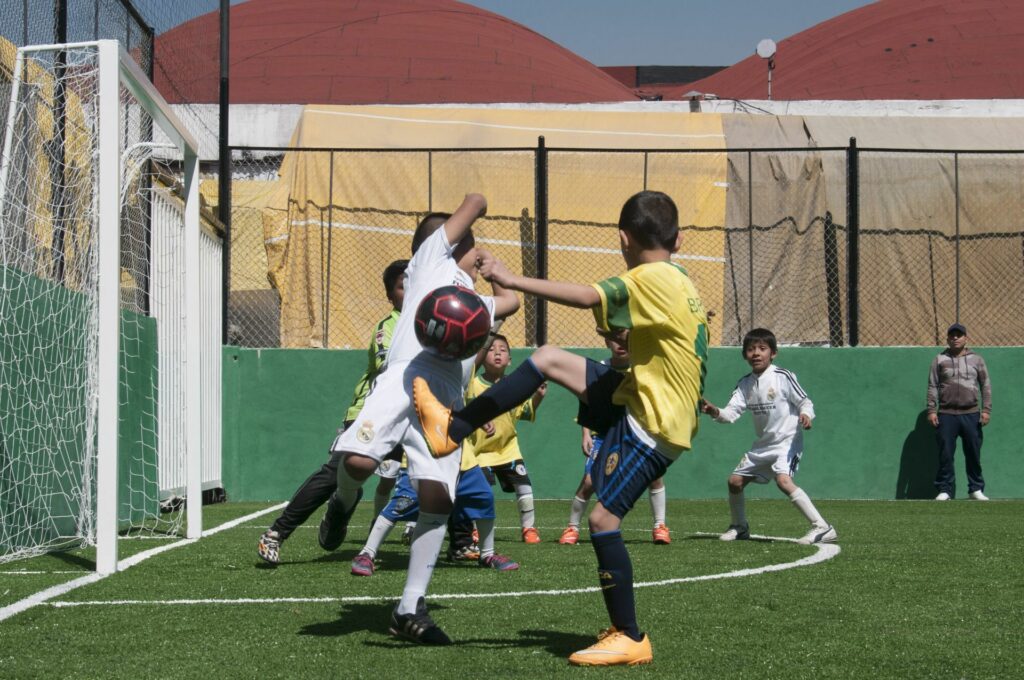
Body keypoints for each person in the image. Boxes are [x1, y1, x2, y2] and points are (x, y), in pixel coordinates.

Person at [414, 190, 707, 667]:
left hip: (654, 419)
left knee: (601, 521)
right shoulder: (678, 279)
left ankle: (630, 636)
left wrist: (511, 279)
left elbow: (589, 296)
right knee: (548, 358)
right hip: (642, 394)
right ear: (678, 239)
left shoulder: (650, 277)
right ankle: (454, 428)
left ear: (623, 239)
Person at [328, 194, 520, 646]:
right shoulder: (430, 263)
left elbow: (508, 304)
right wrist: (476, 209)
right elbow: (475, 202)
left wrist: (497, 275)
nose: (477, 253)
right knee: (358, 463)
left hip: (445, 400)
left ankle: (410, 607)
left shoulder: (470, 300)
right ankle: (341, 503)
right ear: (454, 243)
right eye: (473, 247)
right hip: (403, 379)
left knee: (437, 499)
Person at [257, 259, 408, 565]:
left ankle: (463, 541)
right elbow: (390, 366)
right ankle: (277, 532)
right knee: (334, 473)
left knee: (450, 463)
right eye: (404, 286)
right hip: (371, 413)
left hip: (411, 415)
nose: (413, 290)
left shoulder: (431, 326)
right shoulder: (388, 328)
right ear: (391, 296)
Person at [699, 328, 837, 546]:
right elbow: (731, 414)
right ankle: (740, 526)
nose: (756, 353)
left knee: (783, 481)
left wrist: (805, 414)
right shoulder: (744, 384)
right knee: (734, 482)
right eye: (751, 349)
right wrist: (714, 411)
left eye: (762, 348)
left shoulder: (783, 376)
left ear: (773, 353)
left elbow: (805, 402)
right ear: (745, 355)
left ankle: (822, 527)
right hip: (763, 446)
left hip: (787, 442)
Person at [560, 329, 671, 546]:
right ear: (606, 341)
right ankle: (572, 527)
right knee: (589, 481)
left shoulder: (643, 367)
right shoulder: (600, 368)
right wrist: (585, 433)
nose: (620, 343)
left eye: (626, 338)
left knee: (654, 477)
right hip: (605, 434)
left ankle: (660, 526)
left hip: (637, 434)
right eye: (614, 338)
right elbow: (587, 401)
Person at [350, 445, 519, 576]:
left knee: (483, 497)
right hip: (422, 457)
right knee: (403, 502)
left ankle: (487, 555)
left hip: (463, 459)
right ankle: (367, 553)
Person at [465, 334, 547, 543]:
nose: (498, 353)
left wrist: (537, 397)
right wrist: (481, 420)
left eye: (503, 350)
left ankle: (528, 529)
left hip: (508, 449)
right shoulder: (473, 384)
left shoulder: (515, 386)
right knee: (480, 492)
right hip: (480, 451)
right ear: (483, 358)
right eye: (492, 350)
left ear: (510, 359)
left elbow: (525, 412)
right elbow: (468, 411)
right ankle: (474, 529)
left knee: (524, 487)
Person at [928, 322, 991, 501]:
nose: (955, 338)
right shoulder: (939, 360)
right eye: (952, 335)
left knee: (973, 453)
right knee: (945, 454)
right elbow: (932, 385)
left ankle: (975, 489)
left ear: (965, 338)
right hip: (946, 414)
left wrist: (986, 410)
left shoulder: (977, 360)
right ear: (948, 338)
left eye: (959, 335)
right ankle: (944, 490)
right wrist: (932, 410)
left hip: (971, 414)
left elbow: (985, 385)